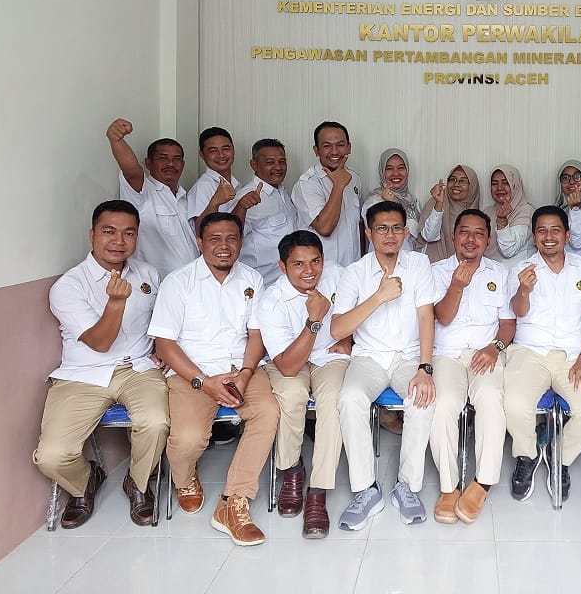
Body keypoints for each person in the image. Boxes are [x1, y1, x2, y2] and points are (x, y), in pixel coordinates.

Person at [34, 200, 169, 528]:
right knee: (51, 456)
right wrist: (116, 302)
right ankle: (85, 482)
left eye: (129, 233)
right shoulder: (68, 286)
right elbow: (99, 342)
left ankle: (138, 483)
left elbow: (164, 322)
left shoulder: (149, 274)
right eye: (109, 232)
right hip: (83, 375)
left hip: (138, 369)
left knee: (156, 423)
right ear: (92, 235)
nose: (119, 241)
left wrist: (163, 348)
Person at [149, 212, 279, 546]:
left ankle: (234, 501)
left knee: (268, 413)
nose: (224, 246)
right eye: (215, 239)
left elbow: (256, 334)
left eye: (232, 238)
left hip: (241, 369)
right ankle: (185, 477)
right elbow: (165, 343)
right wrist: (204, 382)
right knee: (188, 440)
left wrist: (246, 373)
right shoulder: (178, 282)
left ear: (241, 242)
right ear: (200, 242)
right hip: (192, 372)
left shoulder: (252, 279)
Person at [331, 201, 437, 529]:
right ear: (368, 233)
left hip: (409, 357)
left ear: (405, 232)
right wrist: (378, 296)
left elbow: (426, 316)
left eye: (396, 228)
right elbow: (337, 329)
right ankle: (366, 490)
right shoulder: (354, 273)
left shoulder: (418, 264)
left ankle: (407, 486)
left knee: (422, 399)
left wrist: (425, 369)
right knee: (349, 398)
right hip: (369, 358)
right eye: (381, 228)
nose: (390, 235)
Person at [505, 205, 581, 501]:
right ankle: (527, 456)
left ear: (567, 235)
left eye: (555, 230)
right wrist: (523, 290)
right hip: (530, 352)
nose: (548, 236)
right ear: (534, 236)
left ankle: (559, 455)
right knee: (513, 404)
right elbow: (517, 312)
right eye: (542, 231)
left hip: (574, 356)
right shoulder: (521, 269)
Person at [257, 230, 351, 539]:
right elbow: (287, 366)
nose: (309, 271)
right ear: (282, 266)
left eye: (315, 261)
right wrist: (314, 320)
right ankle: (292, 471)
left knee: (333, 399)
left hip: (329, 356)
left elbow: (358, 310)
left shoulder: (338, 275)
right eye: (298, 264)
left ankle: (318, 491)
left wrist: (349, 339)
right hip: (289, 359)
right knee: (292, 394)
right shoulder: (271, 301)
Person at [429, 209, 515, 524]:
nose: (471, 239)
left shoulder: (500, 273)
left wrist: (495, 348)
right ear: (453, 235)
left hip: (486, 352)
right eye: (464, 231)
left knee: (491, 399)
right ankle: (449, 487)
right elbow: (442, 318)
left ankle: (482, 483)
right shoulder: (436, 271)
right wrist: (456, 286)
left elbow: (508, 325)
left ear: (488, 240)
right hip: (447, 354)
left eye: (479, 233)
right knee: (443, 403)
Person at [106, 118, 197, 277]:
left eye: (176, 159)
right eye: (163, 158)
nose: (170, 164)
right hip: (155, 283)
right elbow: (132, 172)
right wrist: (117, 140)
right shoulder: (142, 192)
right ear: (148, 163)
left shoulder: (185, 197)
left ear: (183, 164)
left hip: (190, 281)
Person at [292, 121, 363, 266]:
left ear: (349, 148)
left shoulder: (354, 178)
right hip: (322, 271)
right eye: (327, 146)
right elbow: (324, 228)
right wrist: (339, 186)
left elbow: (359, 225)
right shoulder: (307, 183)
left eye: (340, 145)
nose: (335, 152)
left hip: (353, 268)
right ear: (316, 150)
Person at [229, 138, 299, 284]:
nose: (278, 167)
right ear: (254, 164)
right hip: (262, 282)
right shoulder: (247, 197)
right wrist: (241, 207)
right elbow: (231, 234)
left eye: (282, 161)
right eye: (270, 162)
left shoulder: (282, 192)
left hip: (285, 280)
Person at [361, 148, 422, 252]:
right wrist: (390, 204)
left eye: (401, 168)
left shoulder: (413, 201)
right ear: (382, 172)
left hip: (410, 259)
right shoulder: (373, 202)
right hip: (385, 259)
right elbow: (381, 234)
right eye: (389, 169)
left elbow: (418, 235)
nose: (396, 173)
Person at [420, 164, 480, 263]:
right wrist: (439, 204)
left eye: (463, 181)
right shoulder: (435, 202)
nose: (456, 184)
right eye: (452, 179)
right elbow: (429, 236)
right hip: (435, 264)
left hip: (466, 266)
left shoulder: (477, 212)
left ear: (472, 186)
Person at [186, 127, 240, 234]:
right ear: (202, 154)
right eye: (213, 151)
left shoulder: (237, 184)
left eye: (226, 149)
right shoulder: (203, 186)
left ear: (234, 150)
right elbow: (200, 230)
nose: (221, 155)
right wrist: (215, 203)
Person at [483, 164, 536, 266]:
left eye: (505, 183)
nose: (499, 188)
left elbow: (509, 250)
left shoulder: (527, 211)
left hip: (518, 272)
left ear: (515, 185)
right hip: (488, 272)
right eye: (494, 184)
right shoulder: (487, 212)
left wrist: (502, 220)